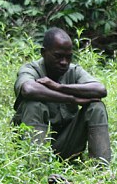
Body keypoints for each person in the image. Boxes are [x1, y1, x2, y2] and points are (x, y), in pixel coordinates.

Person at [12, 27, 111, 167]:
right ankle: (38, 168)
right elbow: (28, 89)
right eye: (58, 56)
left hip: (66, 144)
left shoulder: (74, 71)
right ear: (43, 53)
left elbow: (100, 89)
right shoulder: (30, 69)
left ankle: (103, 170)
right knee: (33, 104)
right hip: (33, 145)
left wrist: (59, 87)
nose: (64, 62)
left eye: (68, 57)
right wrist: (71, 99)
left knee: (96, 107)